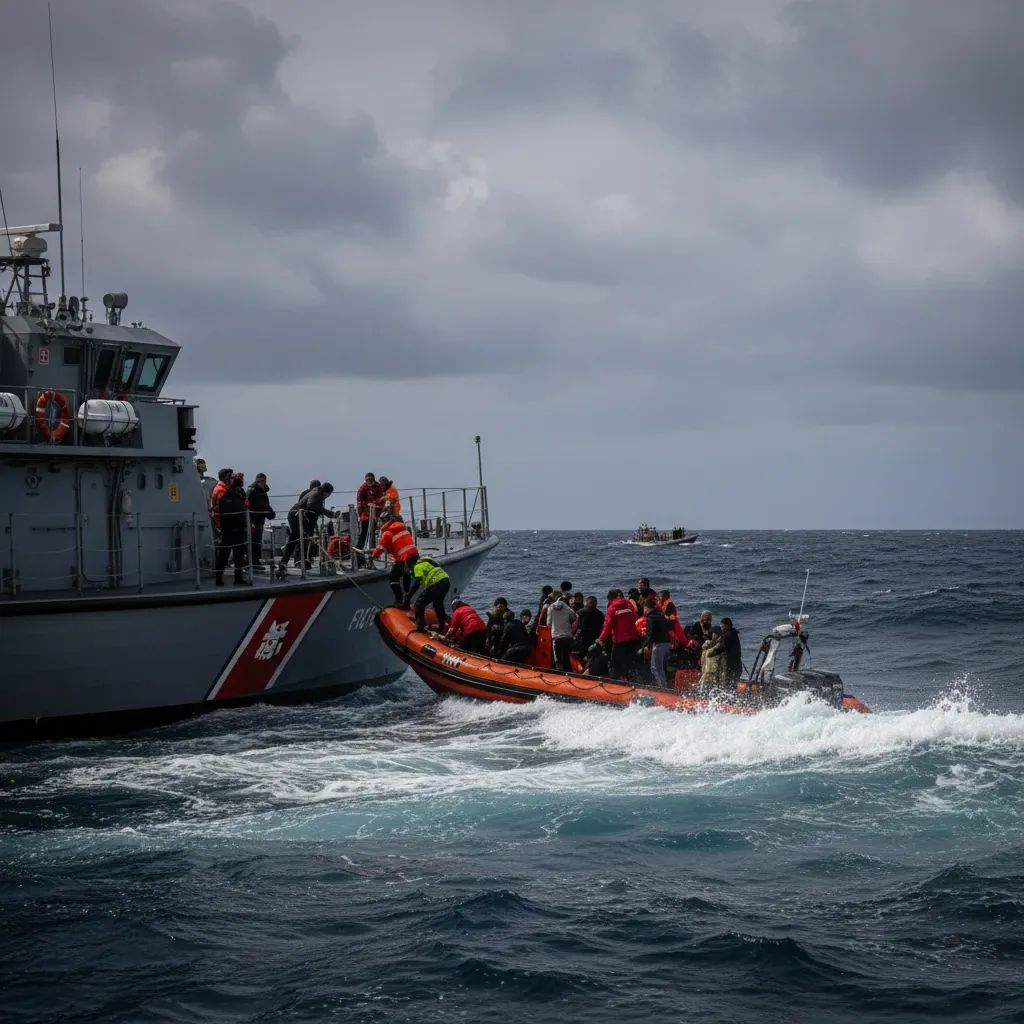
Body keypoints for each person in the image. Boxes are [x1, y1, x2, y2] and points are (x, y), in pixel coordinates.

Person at [282, 482, 338, 568]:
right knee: (298, 539)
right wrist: (328, 513)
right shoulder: (316, 494)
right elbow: (311, 505)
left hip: (299, 516)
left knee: (300, 539)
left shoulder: (317, 493)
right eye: (328, 494)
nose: (328, 496)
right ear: (326, 492)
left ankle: (292, 561)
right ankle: (296, 562)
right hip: (296, 516)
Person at [371, 515, 419, 606]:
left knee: (393, 578)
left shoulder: (387, 532)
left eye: (380, 521)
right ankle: (407, 599)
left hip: (403, 558)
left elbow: (381, 547)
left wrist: (373, 556)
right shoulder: (403, 528)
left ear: (384, 522)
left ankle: (399, 601)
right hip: (414, 555)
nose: (379, 524)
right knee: (406, 575)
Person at [599, 589, 642, 680]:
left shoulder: (612, 607)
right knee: (630, 662)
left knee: (615, 663)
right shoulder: (629, 605)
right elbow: (636, 619)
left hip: (620, 640)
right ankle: (633, 681)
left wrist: (601, 639)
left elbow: (607, 625)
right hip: (634, 638)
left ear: (610, 599)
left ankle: (614, 683)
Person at [215, 472, 249, 585]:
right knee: (237, 555)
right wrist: (245, 525)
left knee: (224, 555)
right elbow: (240, 512)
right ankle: (237, 578)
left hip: (227, 529)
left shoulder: (226, 495)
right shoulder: (233, 496)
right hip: (235, 529)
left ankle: (219, 578)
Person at [409, 555, 450, 632]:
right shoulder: (427, 563)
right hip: (446, 582)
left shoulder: (417, 566)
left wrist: (409, 596)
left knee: (419, 603)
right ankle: (442, 626)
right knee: (438, 604)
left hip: (436, 583)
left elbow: (417, 582)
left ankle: (420, 627)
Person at [702, 616, 742, 684]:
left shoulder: (727, 637)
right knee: (732, 685)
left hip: (730, 668)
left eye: (722, 627)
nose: (721, 629)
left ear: (727, 626)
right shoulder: (734, 634)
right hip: (737, 666)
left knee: (726, 685)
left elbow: (716, 650)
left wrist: (707, 652)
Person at [246, 473, 275, 568]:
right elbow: (247, 505)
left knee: (257, 541)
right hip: (253, 519)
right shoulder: (251, 491)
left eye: (263, 481)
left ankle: (256, 561)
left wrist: (270, 513)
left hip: (259, 519)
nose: (262, 483)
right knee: (253, 541)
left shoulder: (263, 491)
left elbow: (265, 504)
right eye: (260, 481)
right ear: (256, 481)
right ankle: (251, 562)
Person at [642, 594, 672, 687]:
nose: (643, 610)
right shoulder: (661, 615)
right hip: (667, 643)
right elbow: (670, 626)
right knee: (663, 667)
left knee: (655, 668)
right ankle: (666, 686)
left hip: (659, 645)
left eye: (644, 608)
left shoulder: (651, 618)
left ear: (647, 608)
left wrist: (647, 646)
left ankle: (663, 688)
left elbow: (649, 633)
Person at [546, 591, 578, 671]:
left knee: (558, 660)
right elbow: (574, 617)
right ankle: (568, 674)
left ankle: (559, 674)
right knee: (567, 659)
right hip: (567, 636)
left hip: (556, 636)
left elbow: (548, 623)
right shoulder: (567, 608)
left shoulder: (550, 608)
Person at [356, 472, 384, 552]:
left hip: (376, 514)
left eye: (371, 479)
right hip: (366, 514)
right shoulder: (362, 489)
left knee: (374, 532)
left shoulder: (378, 487)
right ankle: (359, 550)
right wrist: (360, 514)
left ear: (374, 479)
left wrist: (377, 504)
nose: (369, 481)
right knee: (364, 533)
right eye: (368, 480)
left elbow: (382, 498)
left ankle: (373, 550)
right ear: (365, 480)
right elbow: (359, 502)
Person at [209, 467, 232, 536]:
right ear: (225, 478)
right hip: (223, 523)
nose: (231, 478)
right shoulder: (221, 490)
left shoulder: (222, 488)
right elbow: (222, 508)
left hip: (225, 521)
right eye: (229, 476)